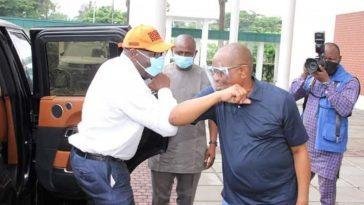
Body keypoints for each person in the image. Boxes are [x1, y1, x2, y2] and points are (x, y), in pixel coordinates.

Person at [169, 43, 311, 205]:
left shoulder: (281, 101)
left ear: (242, 71)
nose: (215, 77)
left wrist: (303, 199)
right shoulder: (218, 94)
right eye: (213, 71)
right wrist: (217, 97)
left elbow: (300, 150)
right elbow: (175, 117)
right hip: (234, 199)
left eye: (220, 72)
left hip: (279, 199)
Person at [68, 24, 178, 205]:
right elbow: (168, 127)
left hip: (92, 162)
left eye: (161, 54)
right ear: (133, 52)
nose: (159, 60)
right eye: (155, 54)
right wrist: (164, 88)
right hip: (104, 167)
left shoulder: (114, 66)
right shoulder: (126, 80)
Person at [148, 34, 218, 205]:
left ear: (195, 53)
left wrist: (213, 144)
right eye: (180, 52)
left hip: (192, 152)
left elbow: (214, 113)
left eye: (188, 53)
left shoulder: (204, 76)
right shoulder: (160, 75)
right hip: (162, 151)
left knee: (186, 199)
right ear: (173, 51)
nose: (184, 56)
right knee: (160, 199)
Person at [290, 42, 360, 205]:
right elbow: (291, 95)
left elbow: (344, 109)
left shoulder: (349, 81)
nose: (325, 62)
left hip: (329, 149)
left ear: (339, 59)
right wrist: (303, 75)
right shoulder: (312, 77)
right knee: (295, 189)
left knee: (326, 196)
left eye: (331, 59)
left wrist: (327, 83)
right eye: (323, 58)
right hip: (305, 145)